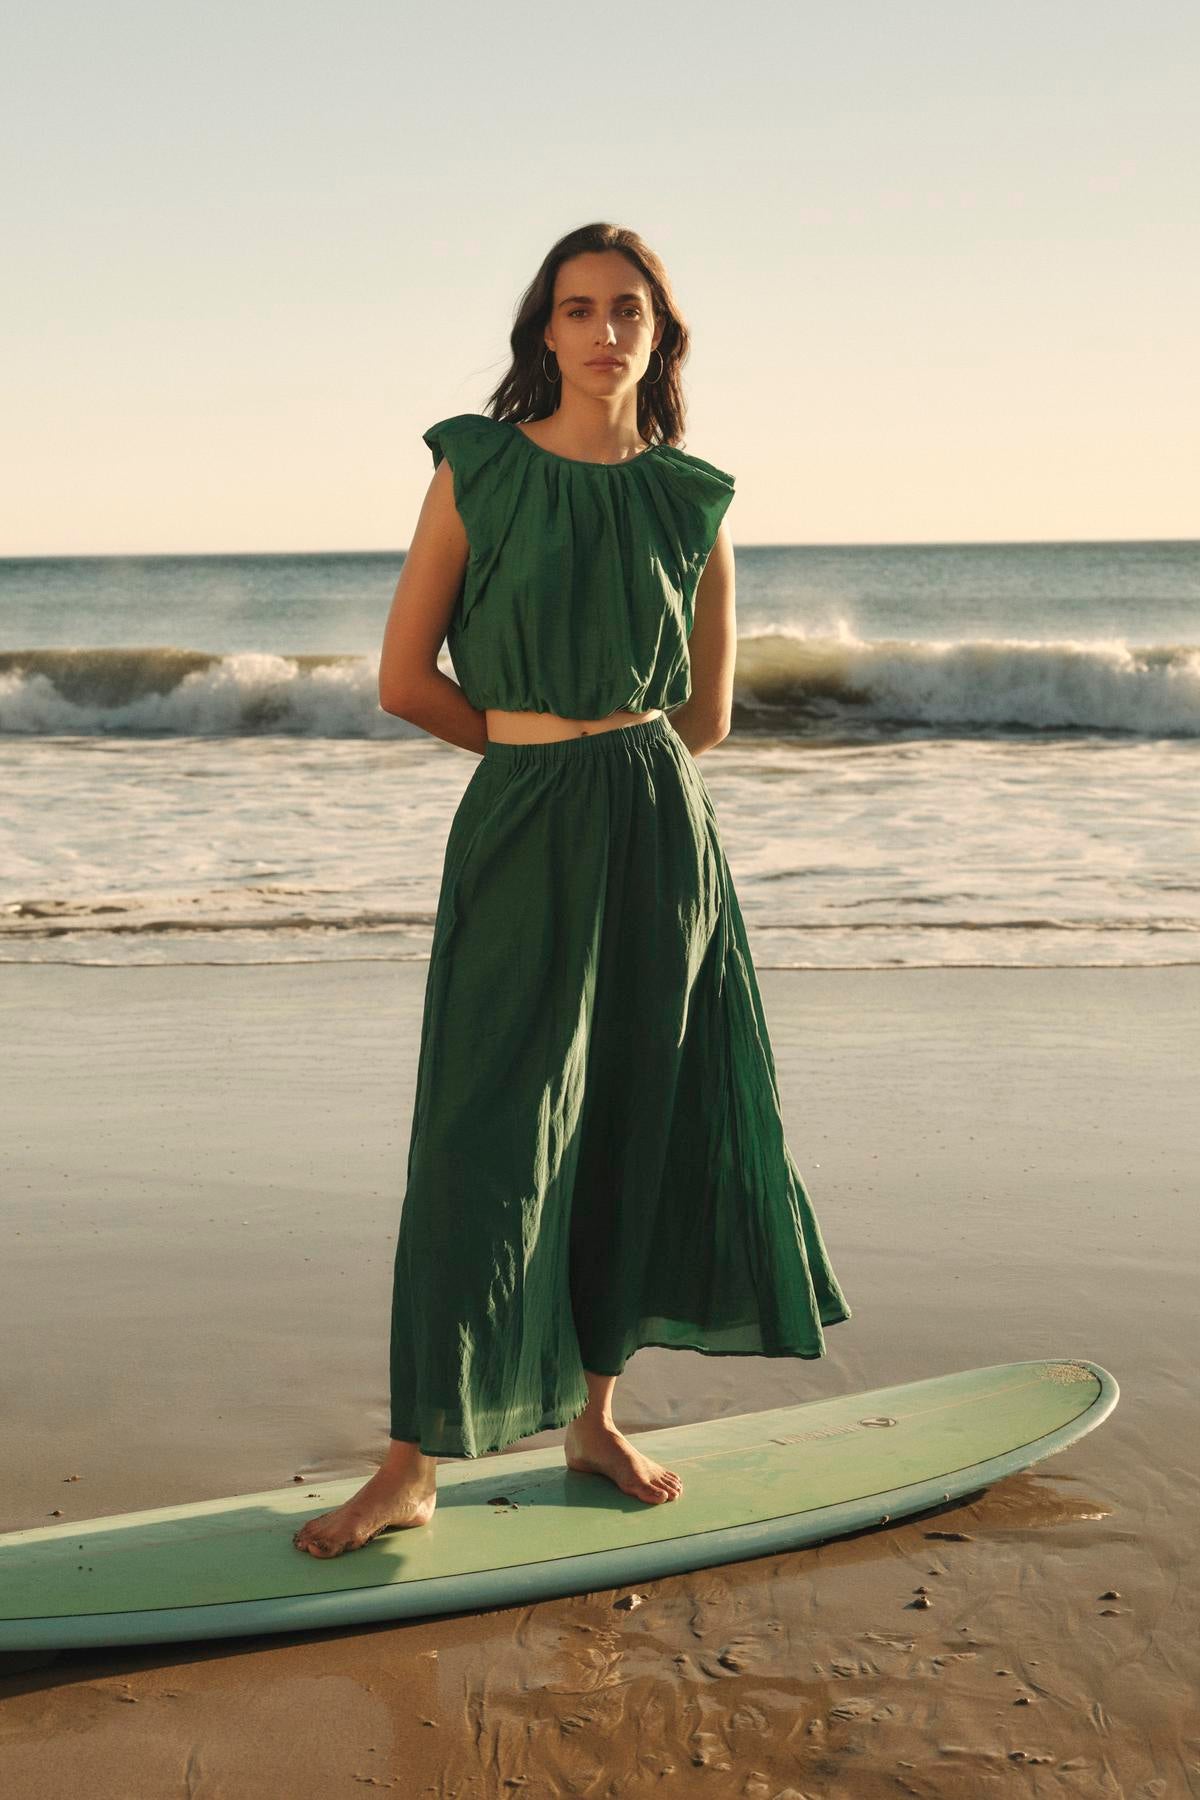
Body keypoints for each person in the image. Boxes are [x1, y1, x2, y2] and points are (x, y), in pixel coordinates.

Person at [293, 222, 851, 1559]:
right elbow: (404, 678)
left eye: (627, 310)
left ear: (658, 337)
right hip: (523, 822)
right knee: (479, 1139)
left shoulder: (694, 502)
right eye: (578, 307)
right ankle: (415, 1459)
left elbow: (703, 716)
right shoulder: (473, 470)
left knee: (630, 1126)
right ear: (543, 332)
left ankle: (596, 1419)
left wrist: (612, 769)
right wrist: (538, 757)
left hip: (661, 835)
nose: (604, 329)